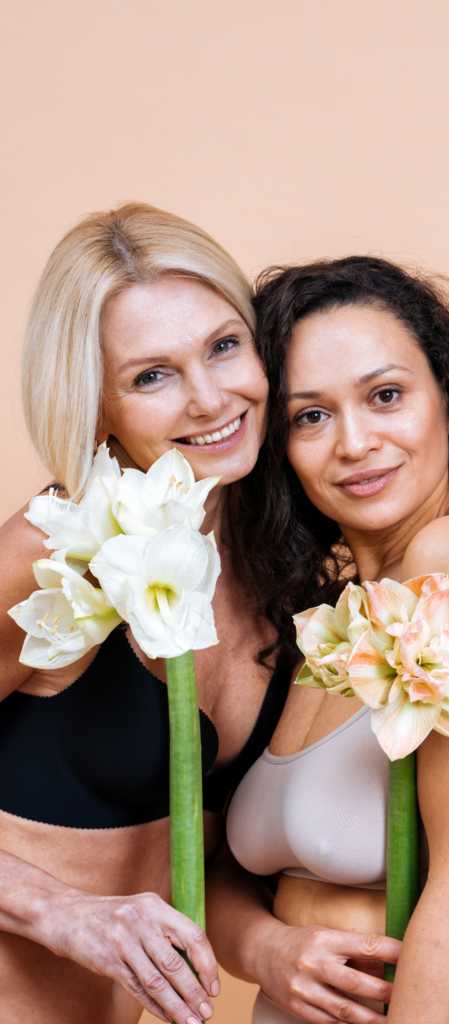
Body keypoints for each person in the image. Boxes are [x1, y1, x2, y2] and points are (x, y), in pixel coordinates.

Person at [205, 256, 449, 1024]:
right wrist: (269, 948)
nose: (354, 441)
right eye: (311, 415)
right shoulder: (325, 623)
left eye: (386, 396)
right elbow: (220, 870)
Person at [0, 202, 291, 1024]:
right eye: (152, 375)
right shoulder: (55, 547)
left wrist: (271, 945)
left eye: (224, 347)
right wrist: (60, 913)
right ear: (97, 405)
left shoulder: (283, 572)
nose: (210, 398)